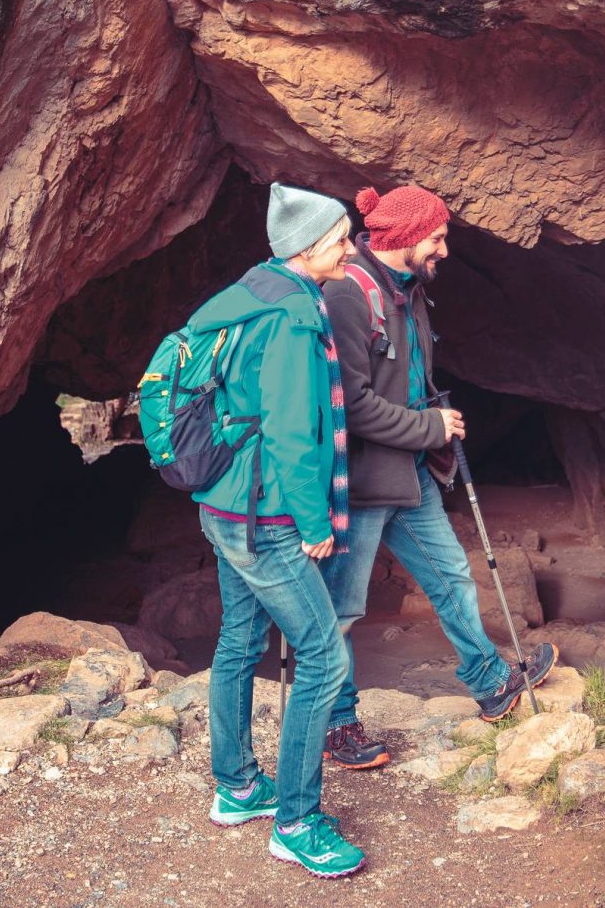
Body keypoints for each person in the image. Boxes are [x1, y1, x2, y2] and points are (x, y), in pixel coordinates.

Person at [318, 184, 559, 771]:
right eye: (436, 238)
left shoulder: (409, 291)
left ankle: (490, 681)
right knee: (342, 608)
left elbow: (410, 374)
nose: (444, 250)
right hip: (360, 482)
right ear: (403, 239)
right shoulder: (350, 293)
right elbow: (349, 401)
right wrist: (430, 426)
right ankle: (337, 723)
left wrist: (434, 425)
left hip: (406, 475)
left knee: (451, 575)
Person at [191, 182, 365, 877]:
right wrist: (314, 521)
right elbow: (294, 430)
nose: (349, 250)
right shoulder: (293, 316)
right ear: (305, 247)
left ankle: (235, 786)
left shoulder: (246, 294)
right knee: (321, 655)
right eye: (339, 239)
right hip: (266, 514)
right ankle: (295, 820)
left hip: (224, 502)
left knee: (239, 636)